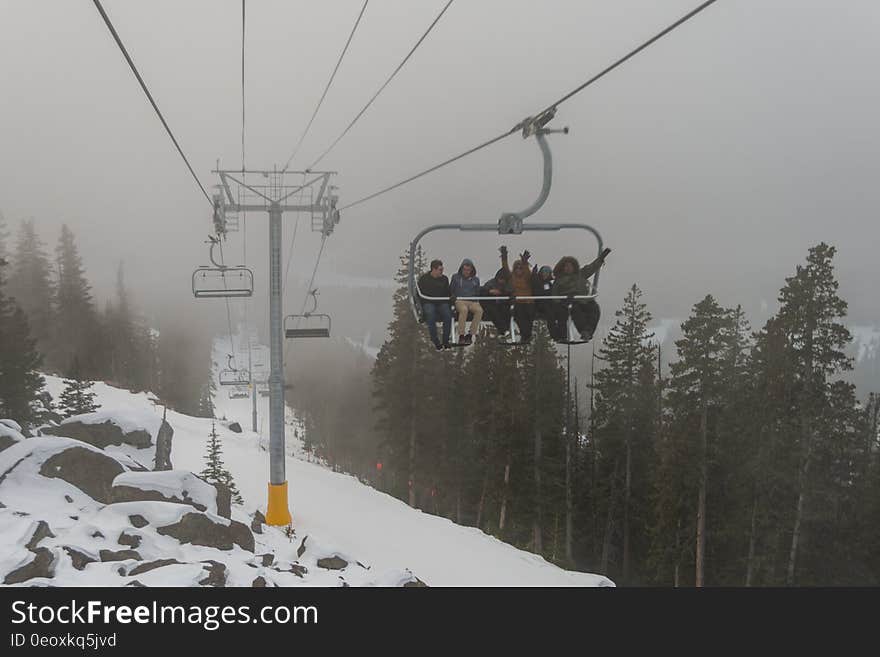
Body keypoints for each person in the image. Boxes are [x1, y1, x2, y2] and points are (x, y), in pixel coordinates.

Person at [551, 247, 612, 342]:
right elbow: (554, 294)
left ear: (574, 267)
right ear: (562, 268)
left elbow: (591, 267)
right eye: (566, 266)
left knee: (594, 309)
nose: (568, 268)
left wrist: (601, 259)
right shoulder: (559, 280)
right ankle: (583, 331)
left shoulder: (581, 274)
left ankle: (588, 331)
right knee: (576, 312)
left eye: (570, 266)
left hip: (583, 299)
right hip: (568, 301)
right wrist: (560, 302)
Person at [500, 246, 535, 343]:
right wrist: (504, 256)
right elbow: (505, 268)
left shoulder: (527, 277)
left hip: (528, 301)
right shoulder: (511, 277)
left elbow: (527, 271)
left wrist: (524, 262)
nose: (519, 269)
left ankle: (526, 336)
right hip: (518, 301)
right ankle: (525, 336)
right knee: (519, 316)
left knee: (529, 317)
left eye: (520, 268)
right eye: (517, 268)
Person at [417, 259, 452, 350]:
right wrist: (421, 307)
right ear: (434, 269)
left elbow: (448, 292)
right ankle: (435, 339)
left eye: (442, 269)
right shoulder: (424, 279)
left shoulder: (444, 279)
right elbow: (419, 294)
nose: (442, 271)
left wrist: (451, 297)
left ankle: (445, 340)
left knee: (448, 315)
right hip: (429, 302)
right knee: (430, 314)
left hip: (441, 302)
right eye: (440, 269)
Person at [449, 258, 483, 345]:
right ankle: (461, 335)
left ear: (471, 270)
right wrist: (453, 296)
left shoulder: (475, 280)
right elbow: (451, 290)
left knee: (479, 311)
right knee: (464, 310)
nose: (466, 272)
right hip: (460, 300)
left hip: (472, 301)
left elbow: (477, 292)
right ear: (461, 269)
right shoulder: (456, 277)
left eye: (468, 270)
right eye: (465, 269)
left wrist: (476, 299)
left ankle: (471, 334)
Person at [479, 267, 512, 337]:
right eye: (500, 279)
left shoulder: (507, 285)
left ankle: (505, 330)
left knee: (506, 311)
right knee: (494, 312)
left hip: (502, 304)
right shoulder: (491, 283)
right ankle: (504, 330)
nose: (501, 281)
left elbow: (510, 293)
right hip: (490, 305)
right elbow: (481, 292)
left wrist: (503, 293)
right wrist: (490, 291)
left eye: (503, 280)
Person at [531, 263, 556, 336]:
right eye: (544, 272)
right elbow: (534, 284)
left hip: (547, 307)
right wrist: (534, 273)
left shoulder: (549, 284)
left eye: (547, 273)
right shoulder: (537, 281)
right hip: (537, 306)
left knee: (552, 315)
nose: (545, 274)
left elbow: (553, 294)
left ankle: (555, 334)